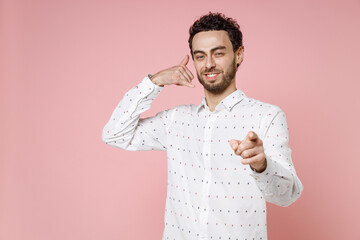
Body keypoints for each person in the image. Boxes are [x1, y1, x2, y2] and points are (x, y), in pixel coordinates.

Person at [102, 12, 303, 240]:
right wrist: (154, 82)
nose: (209, 64)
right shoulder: (176, 120)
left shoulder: (267, 116)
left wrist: (262, 165)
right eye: (200, 56)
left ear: (238, 55)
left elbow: (286, 196)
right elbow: (114, 134)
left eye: (218, 53)